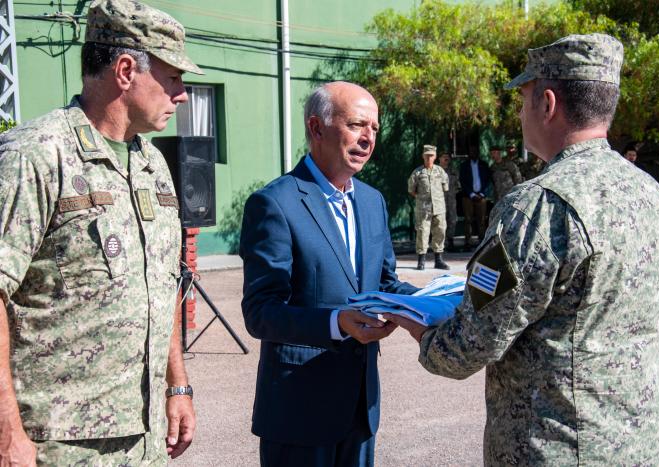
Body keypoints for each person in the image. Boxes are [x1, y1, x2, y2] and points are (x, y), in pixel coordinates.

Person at [387, 33, 659, 465]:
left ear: (546, 103)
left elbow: (466, 346)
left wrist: (419, 325)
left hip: (557, 451)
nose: (521, 113)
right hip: (642, 446)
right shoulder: (652, 194)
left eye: (523, 99)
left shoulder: (537, 208)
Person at [0, 0, 201, 465]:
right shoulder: (36, 156)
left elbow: (165, 283)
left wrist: (178, 385)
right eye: (173, 78)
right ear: (126, 71)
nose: (183, 93)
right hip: (56, 443)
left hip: (145, 437)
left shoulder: (152, 166)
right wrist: (7, 429)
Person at [239, 81, 417, 467]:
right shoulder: (274, 203)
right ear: (317, 127)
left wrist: (433, 303)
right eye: (356, 125)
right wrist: (337, 322)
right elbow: (260, 312)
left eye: (374, 128)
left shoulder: (372, 201)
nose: (368, 138)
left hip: (360, 408)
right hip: (299, 412)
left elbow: (385, 283)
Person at [408, 145, 450, 270]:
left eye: (431, 156)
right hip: (423, 208)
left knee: (440, 231)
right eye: (426, 156)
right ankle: (421, 260)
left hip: (439, 207)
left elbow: (445, 188)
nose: (429, 158)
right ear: (423, 156)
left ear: (435, 157)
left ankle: (439, 260)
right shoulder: (418, 172)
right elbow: (411, 190)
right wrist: (421, 199)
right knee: (422, 232)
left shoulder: (440, 171)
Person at [459, 152, 491, 250]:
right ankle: (468, 242)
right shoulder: (464, 165)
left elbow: (488, 180)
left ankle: (482, 241)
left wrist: (482, 194)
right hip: (468, 196)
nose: (473, 152)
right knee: (468, 220)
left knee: (481, 220)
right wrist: (471, 194)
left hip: (481, 196)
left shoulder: (484, 165)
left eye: (474, 150)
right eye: (471, 151)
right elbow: (462, 180)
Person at [438, 153, 461, 252]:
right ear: (439, 159)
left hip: (451, 200)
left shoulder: (453, 171)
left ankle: (450, 241)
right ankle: (441, 243)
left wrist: (452, 194)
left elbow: (457, 186)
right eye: (444, 157)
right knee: (440, 221)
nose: (446, 158)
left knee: (452, 220)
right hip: (439, 200)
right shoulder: (436, 170)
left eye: (448, 157)